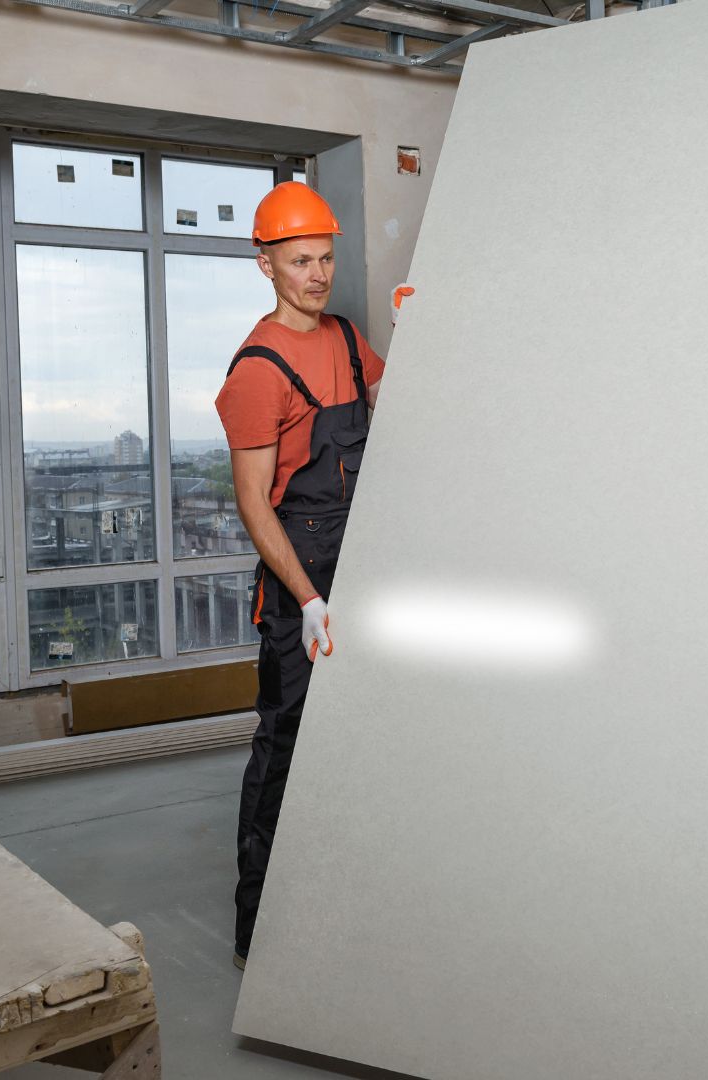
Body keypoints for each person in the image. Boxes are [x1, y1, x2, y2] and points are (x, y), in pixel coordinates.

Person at [217, 181, 385, 972]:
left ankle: (346, 905)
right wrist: (310, 600)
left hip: (366, 569)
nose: (318, 275)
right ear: (266, 265)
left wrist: (425, 331)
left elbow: (409, 403)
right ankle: (262, 930)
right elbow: (254, 505)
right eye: (300, 262)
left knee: (363, 749)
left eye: (325, 259)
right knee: (284, 751)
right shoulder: (256, 370)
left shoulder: (350, 342)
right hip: (302, 589)